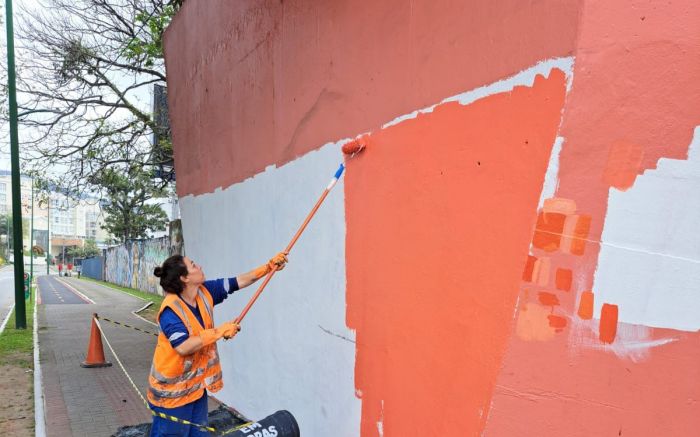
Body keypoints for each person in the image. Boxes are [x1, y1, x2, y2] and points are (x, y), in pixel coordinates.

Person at [148, 252, 288, 436]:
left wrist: (268, 268)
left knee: (199, 433)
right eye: (194, 265)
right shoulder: (170, 310)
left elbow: (238, 281)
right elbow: (183, 347)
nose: (200, 267)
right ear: (185, 278)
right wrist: (220, 331)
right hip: (171, 396)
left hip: (195, 389)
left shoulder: (205, 292)